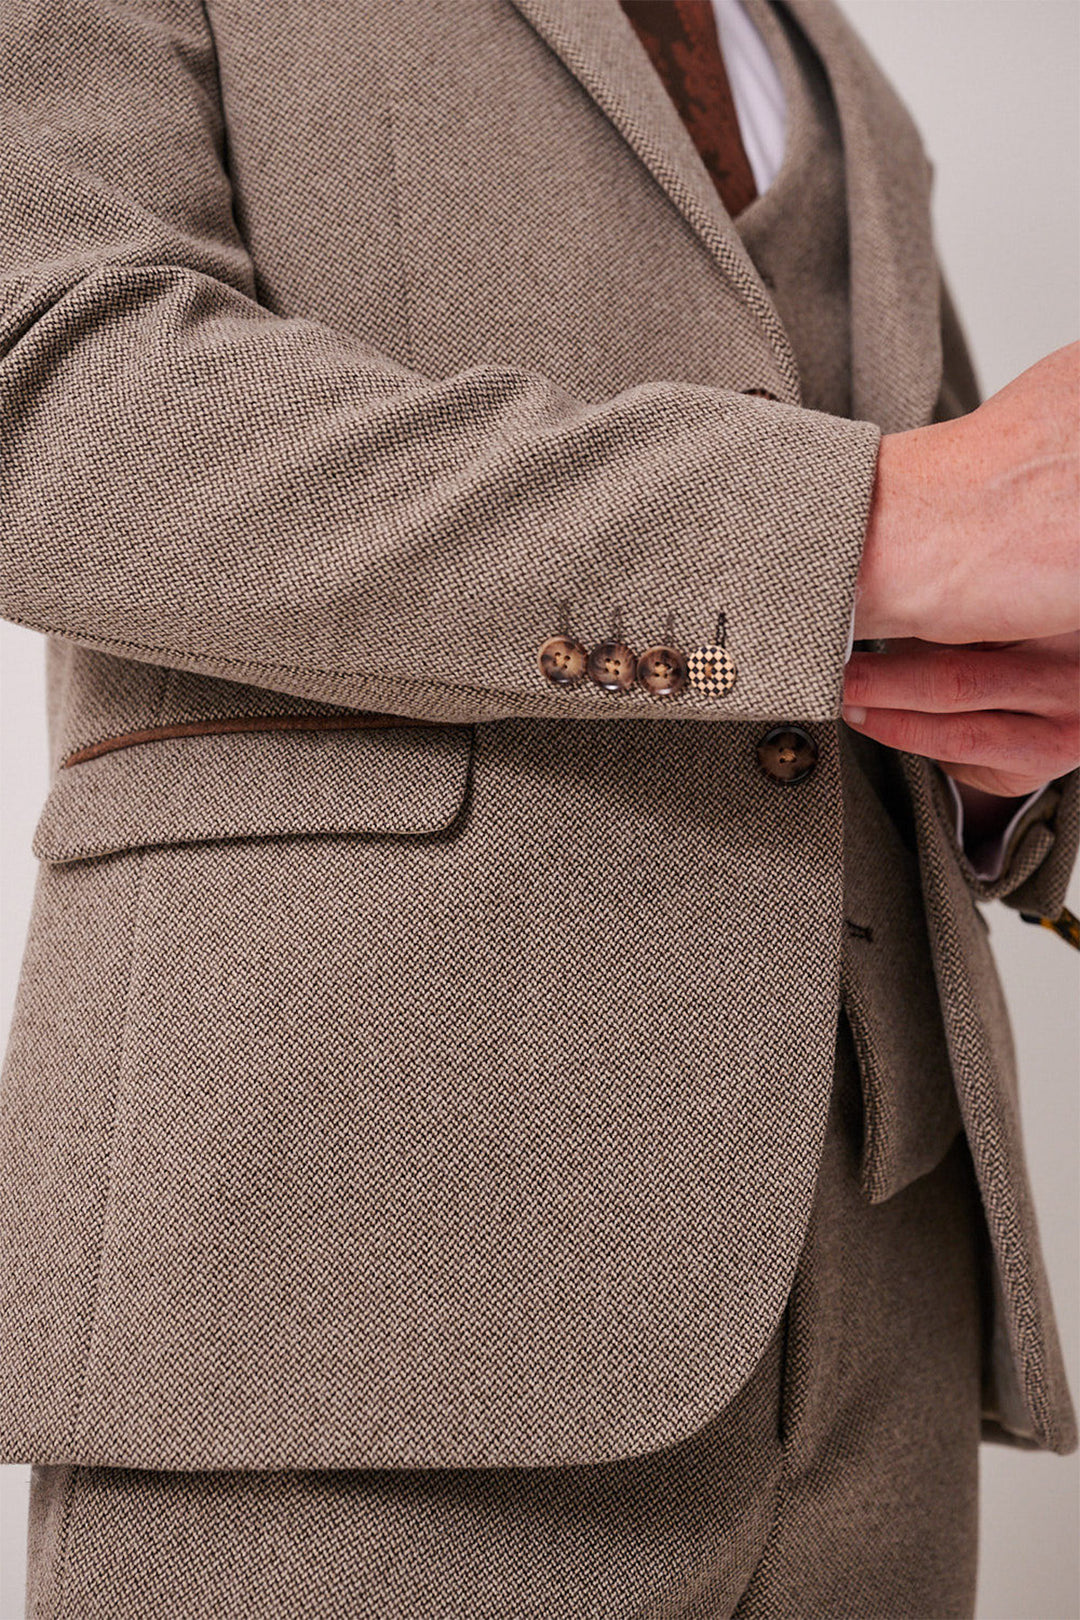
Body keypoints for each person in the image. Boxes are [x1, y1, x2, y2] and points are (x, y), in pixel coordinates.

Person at [0, 0, 1076, 1614]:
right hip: (360, 1267)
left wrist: (1018, 757)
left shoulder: (834, 59)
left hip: (881, 1296)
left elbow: (961, 548)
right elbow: (49, 403)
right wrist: (849, 530)